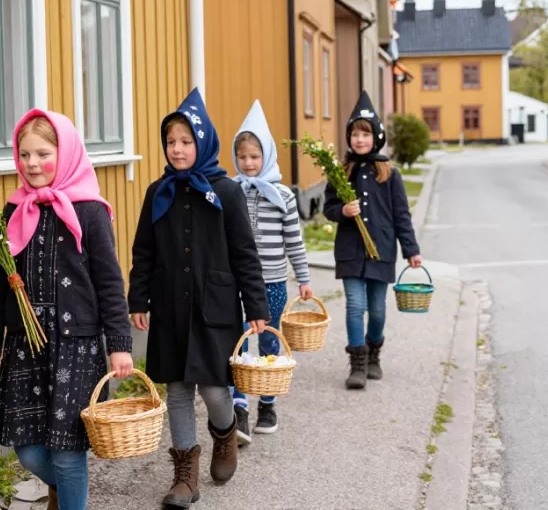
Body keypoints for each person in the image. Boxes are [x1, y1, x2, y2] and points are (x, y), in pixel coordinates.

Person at [0, 109, 134, 510]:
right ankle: (67, 492)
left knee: (68, 452)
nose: (32, 164)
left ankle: (69, 496)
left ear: (65, 154)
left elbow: (109, 283)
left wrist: (119, 343)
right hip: (25, 345)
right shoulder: (13, 211)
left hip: (76, 346)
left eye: (43, 154)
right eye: (24, 154)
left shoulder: (90, 211)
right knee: (29, 450)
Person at [128, 88, 269, 508]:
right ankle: (185, 474)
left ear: (202, 142)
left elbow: (245, 252)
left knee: (212, 387)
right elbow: (143, 251)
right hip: (170, 306)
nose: (177, 149)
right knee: (177, 389)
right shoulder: (158, 192)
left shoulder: (224, 192)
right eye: (171, 142)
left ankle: (224, 433)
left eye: (186, 141)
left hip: (216, 307)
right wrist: (138, 299)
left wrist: (257, 306)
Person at [323, 92, 422, 390]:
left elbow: (401, 214)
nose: (360, 140)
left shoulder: (389, 173)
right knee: (355, 305)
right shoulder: (340, 172)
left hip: (381, 250)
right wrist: (342, 210)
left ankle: (374, 352)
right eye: (355, 134)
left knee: (377, 310)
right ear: (348, 138)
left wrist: (411, 250)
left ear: (376, 137)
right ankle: (357, 364)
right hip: (350, 250)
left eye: (365, 134)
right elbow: (327, 208)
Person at [227, 100, 313, 442]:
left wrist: (303, 278)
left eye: (254, 156)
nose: (249, 163)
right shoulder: (229, 192)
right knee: (237, 342)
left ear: (267, 157)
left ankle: (267, 402)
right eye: (243, 157)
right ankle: (239, 407)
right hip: (235, 283)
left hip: (272, 282)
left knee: (267, 340)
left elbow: (295, 241)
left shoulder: (283, 196)